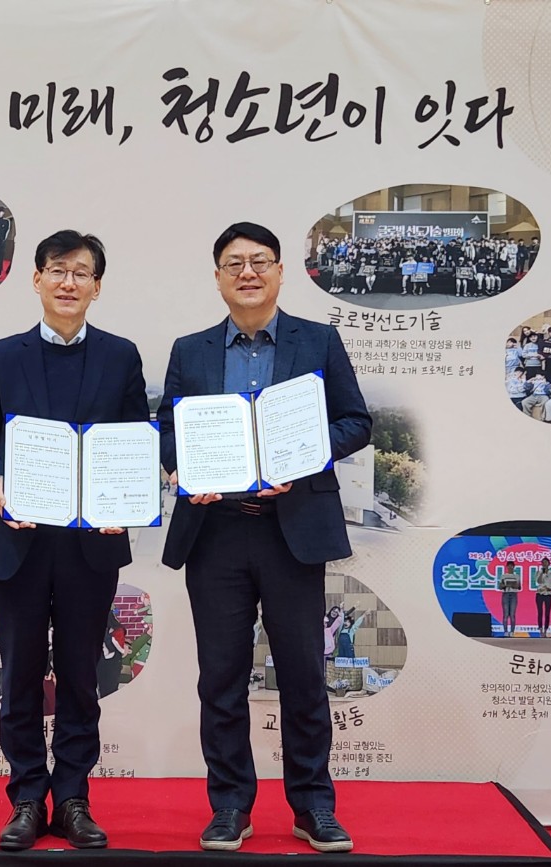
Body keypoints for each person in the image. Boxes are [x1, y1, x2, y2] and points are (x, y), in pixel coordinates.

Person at [157, 222, 371, 854]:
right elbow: (167, 427)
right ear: (218, 277)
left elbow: (356, 421)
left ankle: (313, 807)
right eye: (234, 264)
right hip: (215, 533)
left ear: (279, 272)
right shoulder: (190, 350)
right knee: (220, 679)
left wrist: (302, 456)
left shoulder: (319, 340)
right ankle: (229, 807)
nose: (247, 273)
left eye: (259, 262)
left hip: (291, 532)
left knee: (303, 676)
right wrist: (182, 468)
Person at [0, 229, 148, 851]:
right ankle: (25, 799)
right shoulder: (2, 356)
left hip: (91, 545)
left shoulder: (121, 356)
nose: (69, 282)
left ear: (97, 286)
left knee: (81, 677)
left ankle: (72, 799)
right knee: (19, 677)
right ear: (36, 279)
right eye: (58, 270)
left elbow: (134, 440)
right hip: (19, 544)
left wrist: (125, 499)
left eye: (81, 272)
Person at [96, 611, 127, 698]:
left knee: (110, 690)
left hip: (113, 664)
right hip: (100, 663)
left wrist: (105, 635)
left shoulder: (118, 630)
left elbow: (118, 648)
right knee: (101, 689)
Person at [535, 558, 551, 637]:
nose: (544, 564)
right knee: (540, 612)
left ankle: (546, 630)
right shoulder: (539, 572)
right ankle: (540, 630)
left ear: (549, 563)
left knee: (547, 613)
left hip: (548, 594)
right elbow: (538, 581)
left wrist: (550, 589)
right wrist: (542, 573)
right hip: (539, 594)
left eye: (546, 562)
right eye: (543, 562)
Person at [497, 565, 521, 636]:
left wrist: (514, 585)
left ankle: (512, 631)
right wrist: (505, 585)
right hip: (506, 594)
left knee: (512, 614)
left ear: (513, 567)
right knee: (506, 614)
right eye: (509, 567)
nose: (510, 568)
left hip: (514, 594)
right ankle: (505, 631)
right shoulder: (503, 576)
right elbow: (500, 587)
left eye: (511, 567)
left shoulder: (517, 576)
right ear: (507, 567)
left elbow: (519, 587)